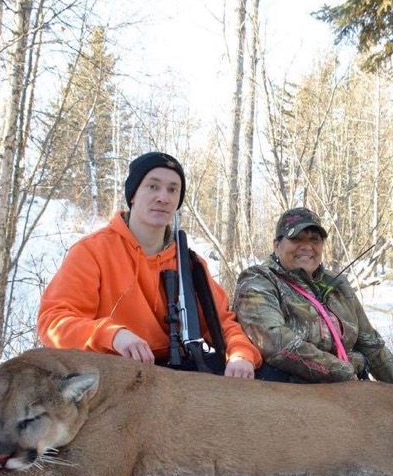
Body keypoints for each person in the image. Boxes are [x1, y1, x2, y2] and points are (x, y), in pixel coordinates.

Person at [37, 152, 261, 378]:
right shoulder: (92, 251)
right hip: (108, 375)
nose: (163, 197)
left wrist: (241, 354)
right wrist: (112, 335)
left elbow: (223, 323)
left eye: (172, 189)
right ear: (133, 195)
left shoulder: (189, 264)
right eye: (153, 187)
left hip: (171, 379)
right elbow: (53, 322)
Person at [233, 207, 393, 390]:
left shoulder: (337, 285)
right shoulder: (258, 280)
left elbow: (372, 346)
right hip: (287, 394)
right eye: (295, 238)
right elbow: (275, 342)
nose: (307, 246)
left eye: (314, 239)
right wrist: (344, 370)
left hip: (344, 391)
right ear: (277, 245)